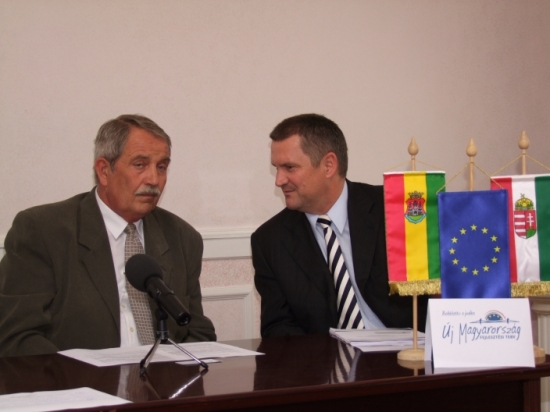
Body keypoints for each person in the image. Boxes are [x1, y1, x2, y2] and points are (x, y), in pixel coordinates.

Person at [0, 114, 215, 357]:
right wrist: (81, 376)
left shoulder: (182, 238)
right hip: (77, 378)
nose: (154, 179)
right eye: (140, 165)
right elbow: (17, 337)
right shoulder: (42, 231)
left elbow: (199, 332)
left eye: (161, 167)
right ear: (104, 171)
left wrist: (168, 372)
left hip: (161, 378)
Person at [252, 113, 427, 337]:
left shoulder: (395, 210)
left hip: (406, 350)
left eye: (290, 167)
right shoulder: (270, 240)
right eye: (276, 168)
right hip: (327, 357)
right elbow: (278, 329)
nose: (279, 180)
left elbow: (434, 297)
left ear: (329, 165)